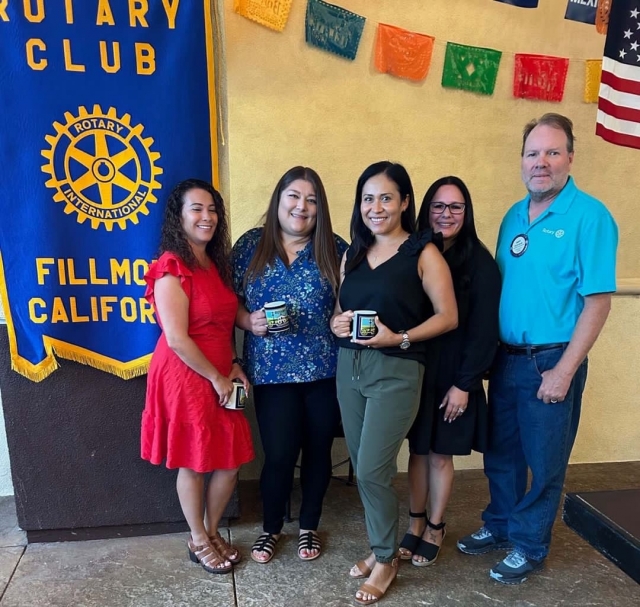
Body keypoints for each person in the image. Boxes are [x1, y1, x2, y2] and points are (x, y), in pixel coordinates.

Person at [457, 114, 618, 584]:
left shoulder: (589, 217)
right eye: (532, 153)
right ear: (522, 161)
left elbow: (598, 302)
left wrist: (565, 371)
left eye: (552, 152)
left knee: (545, 462)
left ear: (570, 156)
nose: (541, 162)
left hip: (552, 360)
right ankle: (502, 524)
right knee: (502, 454)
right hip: (507, 362)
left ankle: (529, 543)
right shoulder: (513, 215)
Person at [331, 161, 458, 605]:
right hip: (349, 367)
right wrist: (337, 323)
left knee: (371, 469)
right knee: (367, 468)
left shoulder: (422, 252)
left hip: (397, 371)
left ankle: (386, 558)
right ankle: (380, 544)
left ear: (405, 201)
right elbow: (339, 308)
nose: (376, 207)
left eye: (386, 197)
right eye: (368, 198)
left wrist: (399, 337)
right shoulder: (353, 253)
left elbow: (448, 316)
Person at [232, 166, 347, 564]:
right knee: (279, 455)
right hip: (270, 373)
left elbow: (349, 300)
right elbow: (226, 299)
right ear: (278, 201)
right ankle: (271, 528)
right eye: (294, 197)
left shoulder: (335, 247)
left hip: (325, 372)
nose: (302, 206)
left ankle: (309, 526)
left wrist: (340, 318)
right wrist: (247, 321)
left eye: (311, 200)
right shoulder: (250, 245)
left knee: (318, 451)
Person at [141, 179, 254, 575]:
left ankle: (209, 529)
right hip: (185, 373)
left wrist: (233, 366)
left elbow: (225, 322)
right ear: (179, 216)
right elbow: (176, 337)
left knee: (229, 460)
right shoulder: (171, 265)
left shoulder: (215, 264)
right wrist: (217, 378)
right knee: (193, 461)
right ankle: (198, 538)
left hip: (221, 370)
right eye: (196, 209)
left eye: (213, 210)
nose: (207, 217)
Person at [400, 176, 501, 567]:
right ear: (425, 210)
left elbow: (483, 332)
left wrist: (464, 385)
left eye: (456, 206)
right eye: (438, 206)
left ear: (467, 212)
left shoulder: (480, 263)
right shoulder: (414, 252)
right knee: (417, 451)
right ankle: (415, 522)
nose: (446, 214)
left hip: (456, 376)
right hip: (417, 371)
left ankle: (436, 526)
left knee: (441, 454)